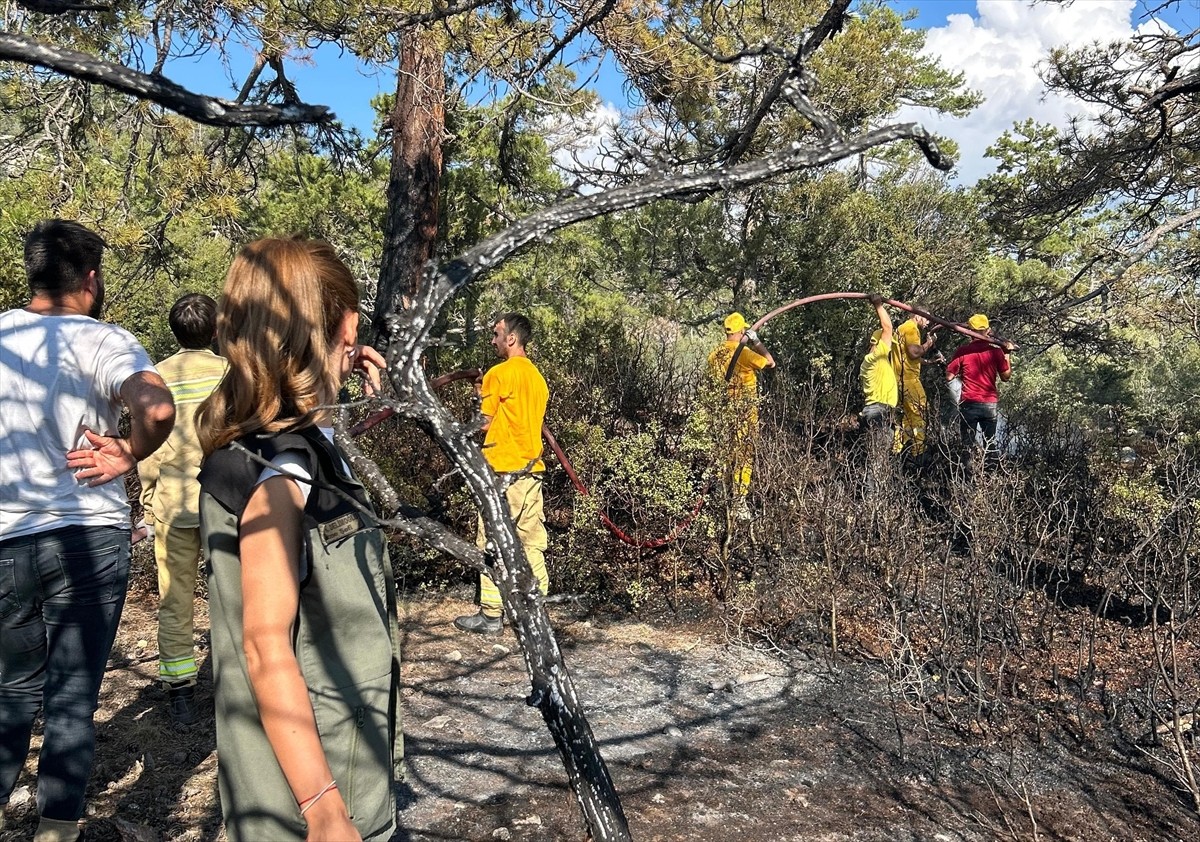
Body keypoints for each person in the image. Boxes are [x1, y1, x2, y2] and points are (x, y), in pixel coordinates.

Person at [195, 238, 400, 842]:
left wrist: (344, 372)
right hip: (318, 790)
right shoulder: (284, 474)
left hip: (284, 776)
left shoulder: (254, 448)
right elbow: (264, 644)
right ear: (344, 324)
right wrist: (325, 808)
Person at [0, 220, 175, 842]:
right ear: (91, 280)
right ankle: (57, 831)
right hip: (86, 536)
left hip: (7, 538)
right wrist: (130, 451)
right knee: (72, 696)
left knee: (10, 691)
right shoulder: (105, 342)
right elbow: (156, 407)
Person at [137, 293, 228, 725]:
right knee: (232, 596)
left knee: (175, 599)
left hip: (173, 505)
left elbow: (148, 450)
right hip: (225, 502)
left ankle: (179, 691)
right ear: (215, 330)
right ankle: (237, 682)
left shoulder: (154, 377)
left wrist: (148, 499)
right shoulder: (230, 372)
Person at [455, 313, 551, 634]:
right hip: (532, 471)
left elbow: (484, 422)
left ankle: (492, 614)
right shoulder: (538, 378)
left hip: (501, 471)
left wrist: (476, 398)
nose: (493, 340)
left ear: (511, 338)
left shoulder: (499, 374)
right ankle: (537, 609)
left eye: (497, 334)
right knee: (531, 541)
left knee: (493, 541)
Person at [706, 312, 775, 520]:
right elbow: (770, 362)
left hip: (723, 412)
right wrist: (756, 341)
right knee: (744, 455)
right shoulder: (744, 353)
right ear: (741, 331)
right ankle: (738, 502)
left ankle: (721, 495)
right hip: (745, 413)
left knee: (725, 452)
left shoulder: (714, 355)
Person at [946, 313, 1013, 460]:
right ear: (987, 330)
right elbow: (1006, 377)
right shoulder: (996, 351)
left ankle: (967, 478)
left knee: (967, 446)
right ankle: (990, 477)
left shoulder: (963, 351)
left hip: (968, 402)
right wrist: (1007, 354)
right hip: (989, 404)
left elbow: (949, 376)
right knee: (990, 445)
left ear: (969, 331)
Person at [891, 309, 940, 456]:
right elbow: (914, 352)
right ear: (918, 316)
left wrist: (929, 362)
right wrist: (928, 344)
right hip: (909, 380)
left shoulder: (901, 328)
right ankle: (918, 452)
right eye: (926, 319)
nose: (928, 322)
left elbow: (907, 357)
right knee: (920, 413)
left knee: (907, 416)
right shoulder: (912, 329)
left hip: (899, 380)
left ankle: (899, 449)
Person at [859, 293, 898, 436]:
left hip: (876, 411)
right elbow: (887, 328)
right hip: (878, 412)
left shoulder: (870, 362)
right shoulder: (876, 357)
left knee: (876, 454)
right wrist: (878, 305)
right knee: (879, 454)